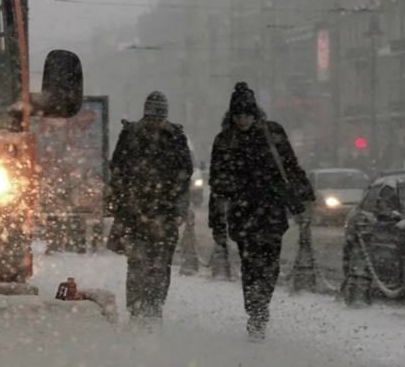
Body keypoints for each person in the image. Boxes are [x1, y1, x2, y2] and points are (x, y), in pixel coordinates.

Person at [208, 82, 314, 341]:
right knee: (250, 265)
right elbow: (217, 186)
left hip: (271, 210)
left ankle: (261, 303)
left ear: (254, 114)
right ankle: (256, 312)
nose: (242, 119)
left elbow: (290, 165)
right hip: (242, 213)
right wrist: (217, 223)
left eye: (247, 114)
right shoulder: (225, 141)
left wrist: (306, 197)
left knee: (270, 265)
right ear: (232, 116)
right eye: (238, 115)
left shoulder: (272, 132)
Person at [107, 91, 193, 325]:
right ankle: (136, 310)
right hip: (135, 212)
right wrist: (123, 197)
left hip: (164, 213)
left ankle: (154, 308)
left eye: (159, 117)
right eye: (151, 116)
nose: (155, 121)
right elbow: (117, 168)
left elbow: (185, 173)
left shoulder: (175, 137)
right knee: (137, 263)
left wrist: (175, 205)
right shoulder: (130, 134)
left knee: (160, 266)